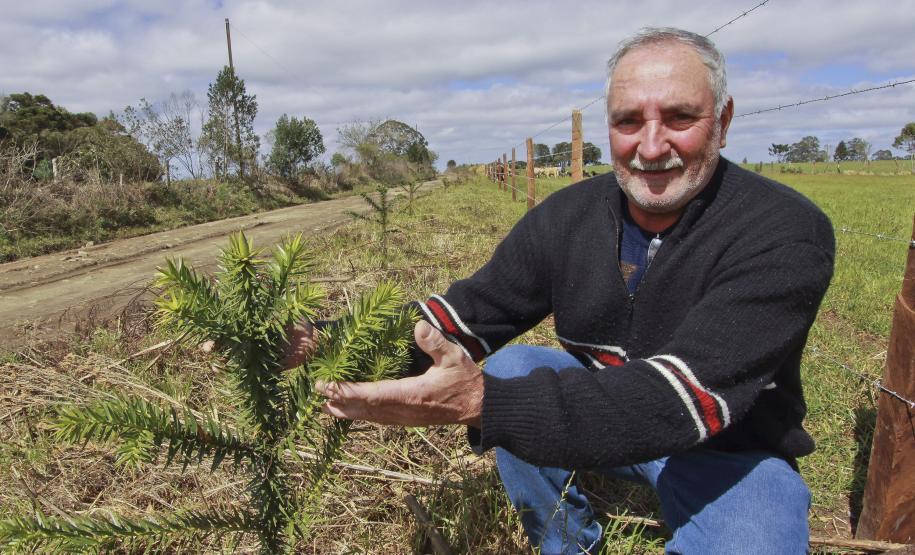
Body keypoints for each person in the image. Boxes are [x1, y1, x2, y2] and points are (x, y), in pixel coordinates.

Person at [295, 27, 835, 554]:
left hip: (729, 451)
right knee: (512, 369)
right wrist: (322, 344)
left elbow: (683, 398)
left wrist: (485, 403)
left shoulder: (781, 230)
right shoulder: (567, 218)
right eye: (628, 121)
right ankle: (566, 543)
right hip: (603, 420)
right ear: (608, 128)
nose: (651, 145)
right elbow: (461, 318)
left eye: (680, 117)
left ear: (723, 121)